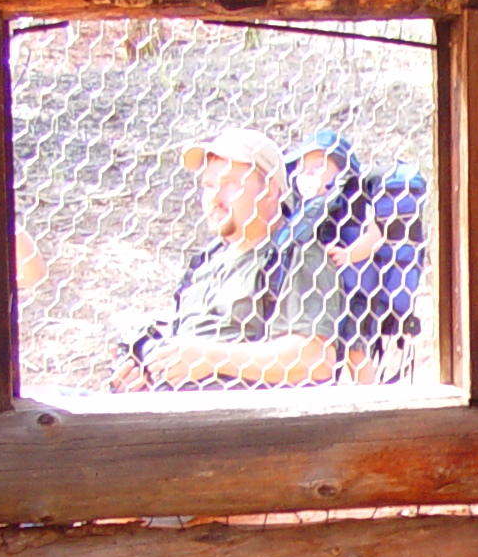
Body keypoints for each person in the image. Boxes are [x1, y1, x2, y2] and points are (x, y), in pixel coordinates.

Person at [122, 127, 347, 389]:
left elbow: (314, 360)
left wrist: (210, 358)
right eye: (208, 186)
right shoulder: (204, 263)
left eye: (229, 184)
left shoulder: (296, 255)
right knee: (64, 406)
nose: (214, 198)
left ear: (270, 190)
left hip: (233, 420)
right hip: (172, 409)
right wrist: (146, 376)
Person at [287, 129, 428, 386]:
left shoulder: (355, 201)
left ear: (341, 170)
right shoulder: (303, 212)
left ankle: (366, 389)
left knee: (356, 346)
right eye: (304, 168)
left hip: (354, 292)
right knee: (320, 344)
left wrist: (349, 254)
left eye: (319, 167)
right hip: (319, 293)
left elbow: (379, 232)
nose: (309, 174)